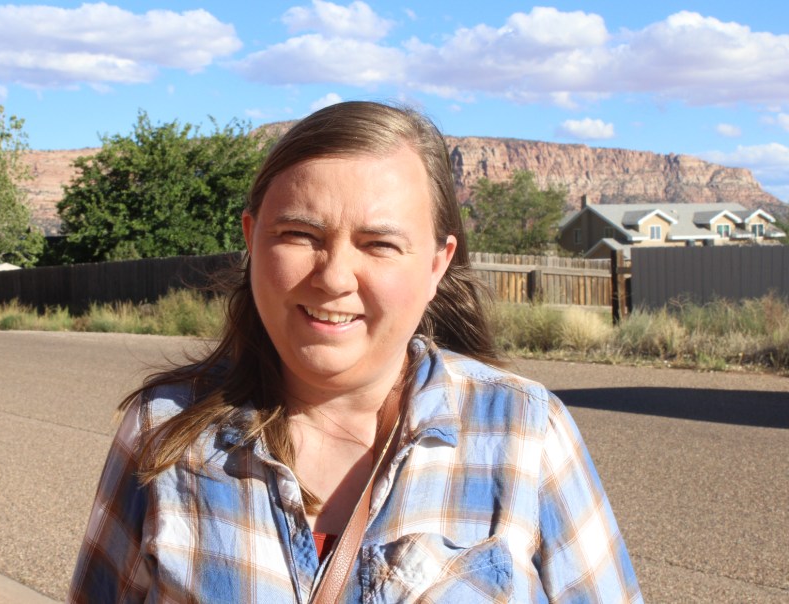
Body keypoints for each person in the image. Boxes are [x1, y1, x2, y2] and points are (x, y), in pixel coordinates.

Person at [69, 101, 641, 603]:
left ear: (438, 263)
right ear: (251, 240)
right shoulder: (166, 433)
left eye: (379, 244)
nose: (335, 277)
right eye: (300, 235)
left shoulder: (524, 433)